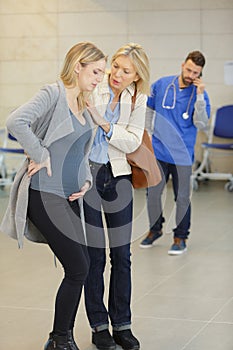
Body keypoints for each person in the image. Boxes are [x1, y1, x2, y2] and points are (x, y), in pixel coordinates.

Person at [0, 42, 107, 350]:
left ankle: (61, 336)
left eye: (102, 72)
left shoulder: (86, 103)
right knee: (78, 268)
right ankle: (59, 339)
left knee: (80, 267)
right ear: (78, 66)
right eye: (96, 71)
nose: (99, 78)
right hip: (44, 195)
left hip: (72, 197)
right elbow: (15, 121)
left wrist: (86, 180)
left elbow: (83, 151)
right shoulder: (53, 94)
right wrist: (39, 153)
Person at [83, 43, 150, 350]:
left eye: (127, 71)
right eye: (116, 67)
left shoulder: (138, 99)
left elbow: (132, 141)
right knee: (94, 257)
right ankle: (99, 328)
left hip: (119, 178)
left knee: (122, 256)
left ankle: (122, 325)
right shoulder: (94, 86)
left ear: (137, 77)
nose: (117, 75)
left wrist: (105, 123)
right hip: (88, 177)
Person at [140, 50, 211, 255]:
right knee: (152, 194)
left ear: (200, 74)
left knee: (182, 197)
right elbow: (148, 109)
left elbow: (202, 123)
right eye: (189, 70)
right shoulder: (162, 84)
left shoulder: (200, 94)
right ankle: (155, 230)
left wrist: (199, 97)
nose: (191, 75)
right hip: (159, 151)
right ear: (182, 65)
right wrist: (147, 135)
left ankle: (181, 236)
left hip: (182, 156)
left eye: (196, 73)